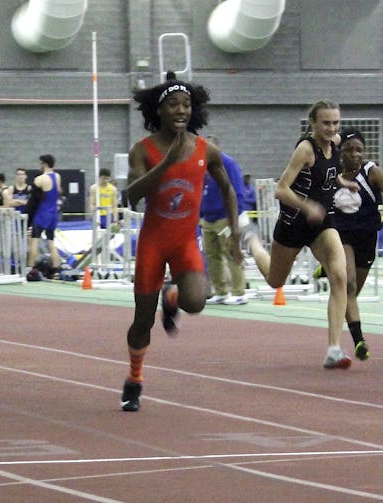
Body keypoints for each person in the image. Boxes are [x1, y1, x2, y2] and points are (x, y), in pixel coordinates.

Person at [120, 78, 241, 412]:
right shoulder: (143, 150)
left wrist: (235, 232)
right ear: (158, 110)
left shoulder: (206, 150)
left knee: (197, 303)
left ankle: (171, 296)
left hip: (185, 241)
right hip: (153, 244)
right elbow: (132, 196)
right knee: (142, 322)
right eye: (173, 104)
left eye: (186, 105)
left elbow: (229, 189)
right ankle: (134, 379)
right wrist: (166, 163)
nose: (181, 111)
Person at [244, 100, 355, 369]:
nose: (331, 128)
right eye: (326, 123)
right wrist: (307, 206)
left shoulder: (336, 144)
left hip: (322, 222)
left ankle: (334, 349)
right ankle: (251, 241)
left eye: (335, 122)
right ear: (313, 124)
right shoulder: (306, 149)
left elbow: (327, 175)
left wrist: (343, 183)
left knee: (340, 276)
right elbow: (281, 189)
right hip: (294, 222)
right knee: (274, 280)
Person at [331, 129, 383, 361]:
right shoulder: (332, 172)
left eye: (359, 150)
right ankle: (359, 340)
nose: (354, 154)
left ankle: (329, 270)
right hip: (341, 235)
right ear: (340, 151)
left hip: (367, 237)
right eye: (349, 150)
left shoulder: (372, 172)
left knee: (350, 293)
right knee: (348, 285)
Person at [201, 135, 248, 305]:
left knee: (231, 253)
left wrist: (234, 220)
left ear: (217, 148)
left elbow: (237, 190)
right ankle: (221, 291)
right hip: (208, 218)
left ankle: (239, 292)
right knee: (212, 255)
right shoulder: (203, 165)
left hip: (225, 218)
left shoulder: (228, 163)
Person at [26, 154, 62, 275]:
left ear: (45, 164)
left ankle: (31, 268)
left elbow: (33, 201)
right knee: (51, 241)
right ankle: (56, 269)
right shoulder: (57, 177)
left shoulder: (39, 179)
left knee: (34, 240)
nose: (40, 166)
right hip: (53, 214)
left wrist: (28, 217)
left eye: (41, 163)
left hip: (42, 213)